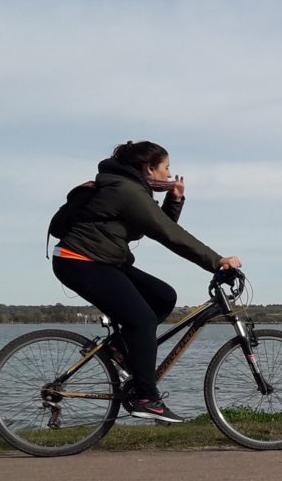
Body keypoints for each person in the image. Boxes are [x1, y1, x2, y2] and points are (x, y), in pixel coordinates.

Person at [51, 140, 241, 423]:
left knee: (163, 297)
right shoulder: (127, 191)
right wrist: (217, 261)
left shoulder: (131, 188)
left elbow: (157, 225)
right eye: (166, 168)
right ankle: (146, 398)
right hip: (79, 261)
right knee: (141, 320)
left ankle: (118, 348)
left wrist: (174, 200)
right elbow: (167, 234)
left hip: (103, 260)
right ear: (148, 168)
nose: (169, 174)